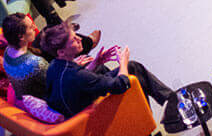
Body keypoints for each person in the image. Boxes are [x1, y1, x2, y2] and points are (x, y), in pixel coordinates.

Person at [38, 21, 172, 115]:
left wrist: (95, 63)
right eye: (74, 40)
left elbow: (75, 83)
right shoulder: (78, 76)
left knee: (100, 68)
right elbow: (121, 84)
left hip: (79, 105)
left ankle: (144, 109)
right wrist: (123, 62)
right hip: (97, 116)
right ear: (61, 52)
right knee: (133, 67)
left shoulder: (53, 67)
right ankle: (172, 103)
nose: (80, 39)